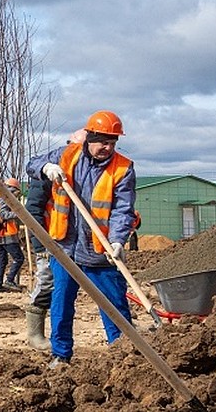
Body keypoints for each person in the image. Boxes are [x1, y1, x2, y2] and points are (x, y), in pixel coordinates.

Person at [26, 110, 137, 368]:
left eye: (112, 143)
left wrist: (119, 240)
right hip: (65, 250)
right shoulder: (67, 155)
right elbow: (31, 164)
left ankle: (123, 359)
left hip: (100, 252)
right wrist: (46, 167)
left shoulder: (123, 169)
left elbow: (123, 210)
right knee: (61, 305)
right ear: (89, 138)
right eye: (103, 142)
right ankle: (60, 355)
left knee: (115, 308)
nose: (107, 148)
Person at [21, 174, 53, 350]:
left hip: (71, 242)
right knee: (47, 283)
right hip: (49, 242)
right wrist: (42, 245)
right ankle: (35, 335)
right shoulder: (46, 175)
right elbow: (32, 213)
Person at [0, 177, 25, 291]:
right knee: (19, 258)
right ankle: (9, 280)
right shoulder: (5, 198)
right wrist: (19, 213)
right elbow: (3, 215)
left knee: (2, 260)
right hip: (6, 234)